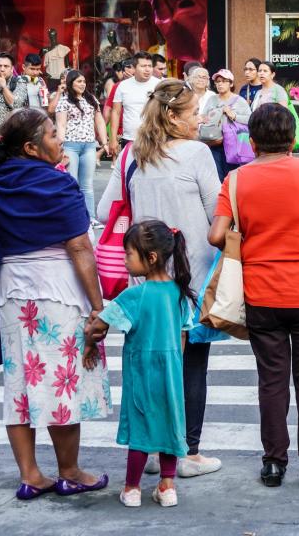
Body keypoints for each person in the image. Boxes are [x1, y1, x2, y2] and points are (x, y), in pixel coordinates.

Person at [0, 108, 111, 501]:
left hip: (12, 295)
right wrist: (98, 306)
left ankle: (30, 475)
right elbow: (80, 246)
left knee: (21, 383)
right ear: (32, 148)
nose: (60, 139)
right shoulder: (57, 183)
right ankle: (69, 471)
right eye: (53, 134)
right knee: (61, 382)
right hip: (58, 293)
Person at [208, 103, 299, 489]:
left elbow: (216, 236)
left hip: (262, 292)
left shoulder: (236, 180)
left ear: (252, 141)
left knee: (271, 380)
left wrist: (245, 232)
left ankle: (273, 463)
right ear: (293, 139)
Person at [97, 77, 224, 479]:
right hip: (191, 281)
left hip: (144, 287)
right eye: (193, 112)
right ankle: (186, 453)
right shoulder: (198, 154)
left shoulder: (132, 156)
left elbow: (104, 212)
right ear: (173, 115)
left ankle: (152, 451)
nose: (200, 118)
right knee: (191, 367)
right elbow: (217, 217)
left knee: (151, 366)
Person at [84, 220, 195, 509]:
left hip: (141, 372)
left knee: (141, 429)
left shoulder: (134, 295)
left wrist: (90, 334)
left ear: (151, 258)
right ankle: (167, 487)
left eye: (128, 254)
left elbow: (101, 322)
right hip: (171, 371)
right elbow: (183, 333)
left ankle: (132, 489)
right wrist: (174, 364)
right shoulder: (179, 293)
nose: (124, 260)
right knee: (171, 424)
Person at [56, 70, 110, 227]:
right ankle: (72, 218)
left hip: (89, 145)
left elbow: (99, 121)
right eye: (79, 81)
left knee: (87, 185)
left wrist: (104, 142)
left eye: (84, 81)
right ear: (70, 83)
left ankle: (90, 218)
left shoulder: (91, 99)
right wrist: (61, 146)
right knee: (72, 183)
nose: (82, 84)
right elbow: (61, 125)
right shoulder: (64, 101)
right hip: (70, 145)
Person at [203, 69, 251, 181]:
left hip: (233, 144)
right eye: (218, 81)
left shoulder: (239, 100)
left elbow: (250, 119)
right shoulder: (212, 99)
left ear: (231, 84)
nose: (220, 84)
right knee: (217, 176)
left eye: (224, 81)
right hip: (214, 142)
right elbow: (204, 117)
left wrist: (234, 116)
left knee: (232, 176)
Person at [109, 52, 158, 153]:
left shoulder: (160, 85)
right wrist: (113, 139)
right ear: (134, 68)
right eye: (143, 66)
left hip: (155, 139)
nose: (147, 69)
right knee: (129, 168)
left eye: (150, 66)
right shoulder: (123, 86)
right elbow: (116, 112)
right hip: (130, 139)